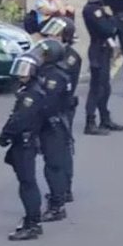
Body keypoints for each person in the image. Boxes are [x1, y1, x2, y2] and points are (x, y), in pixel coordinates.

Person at [0, 55, 48, 241]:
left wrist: (5, 135)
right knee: (26, 183)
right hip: (26, 141)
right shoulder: (29, 89)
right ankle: (31, 218)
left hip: (25, 143)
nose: (21, 74)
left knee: (27, 184)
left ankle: (33, 223)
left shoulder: (31, 95)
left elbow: (20, 119)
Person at [31, 37, 74, 222]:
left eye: (44, 54)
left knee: (53, 167)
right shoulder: (52, 72)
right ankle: (60, 196)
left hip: (53, 126)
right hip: (55, 124)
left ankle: (57, 205)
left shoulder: (54, 77)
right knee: (56, 163)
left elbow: (47, 103)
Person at [41, 15, 82, 207]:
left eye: (56, 34)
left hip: (63, 108)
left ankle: (65, 188)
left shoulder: (70, 57)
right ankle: (62, 187)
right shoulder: (55, 53)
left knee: (62, 149)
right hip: (57, 106)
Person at [83, 0, 123, 135]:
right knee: (97, 88)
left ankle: (105, 118)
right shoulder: (93, 10)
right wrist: (112, 17)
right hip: (98, 50)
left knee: (105, 87)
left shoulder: (98, 7)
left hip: (104, 49)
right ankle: (90, 122)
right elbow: (108, 30)